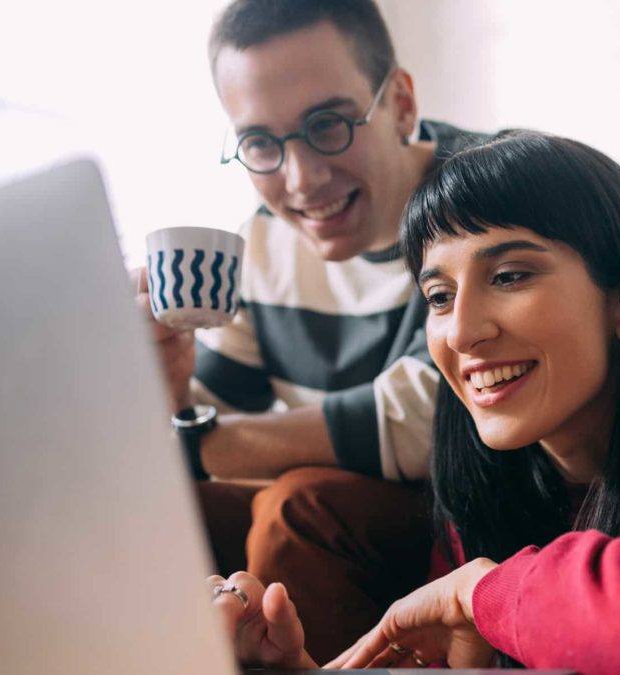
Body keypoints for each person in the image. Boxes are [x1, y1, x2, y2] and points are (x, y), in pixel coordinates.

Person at [206, 130, 620, 674]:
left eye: (509, 275)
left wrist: (480, 589)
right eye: (439, 297)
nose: (463, 330)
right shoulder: (490, 487)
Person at [131, 0, 488, 661]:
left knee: (298, 509)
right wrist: (172, 389)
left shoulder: (481, 192)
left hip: (470, 513)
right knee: (170, 515)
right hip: (349, 525)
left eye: (327, 124)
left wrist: (195, 443)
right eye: (261, 143)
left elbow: (419, 426)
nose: (301, 180)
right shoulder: (260, 246)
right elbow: (212, 421)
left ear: (401, 105)